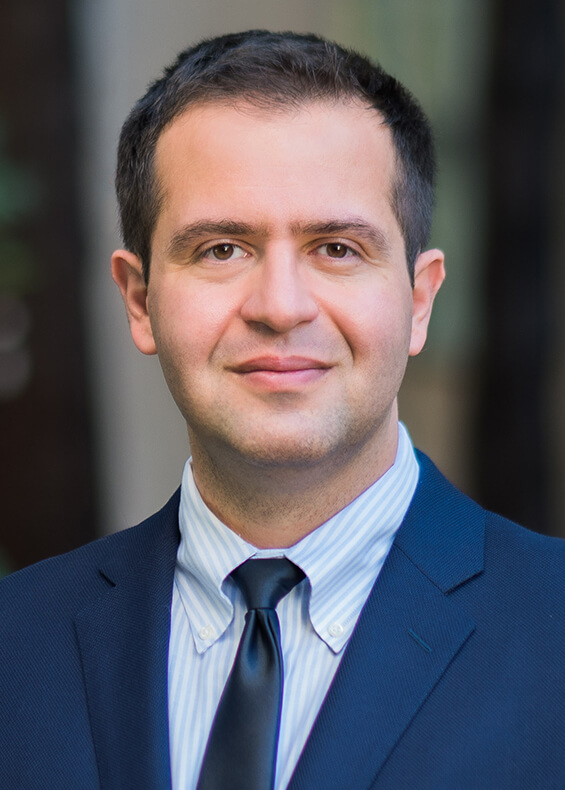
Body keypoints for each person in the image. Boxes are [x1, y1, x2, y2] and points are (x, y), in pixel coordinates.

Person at [1, 30, 564, 790]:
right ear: (139, 301)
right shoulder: (14, 643)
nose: (279, 307)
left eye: (335, 248)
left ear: (418, 300)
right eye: (221, 249)